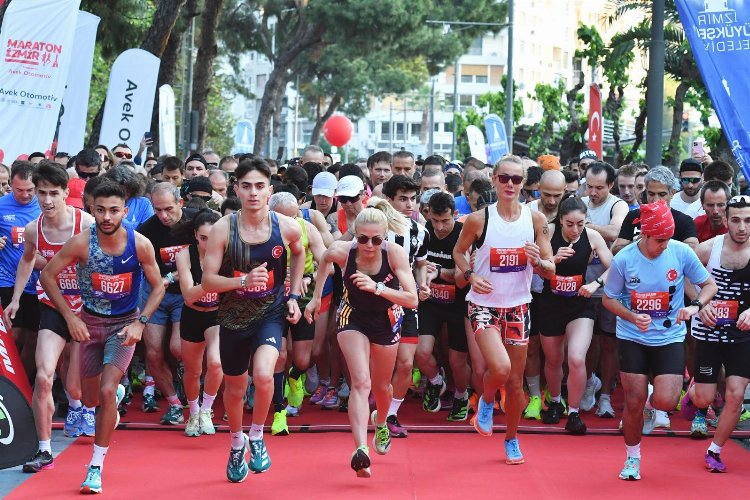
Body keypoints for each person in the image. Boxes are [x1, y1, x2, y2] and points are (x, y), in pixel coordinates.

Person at [39, 180, 165, 493]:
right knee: (92, 397)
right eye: (100, 210)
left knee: (107, 392)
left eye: (113, 210)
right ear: (91, 210)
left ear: (125, 211)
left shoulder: (140, 244)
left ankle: (95, 466)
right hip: (90, 324)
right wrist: (70, 317)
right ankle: (114, 398)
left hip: (123, 326)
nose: (107, 217)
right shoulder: (81, 242)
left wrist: (141, 323)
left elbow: (159, 286)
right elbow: (47, 275)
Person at [202, 157, 305, 483]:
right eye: (246, 186)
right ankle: (236, 442)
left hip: (270, 315)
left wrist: (293, 294)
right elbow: (207, 282)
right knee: (234, 388)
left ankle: (257, 436)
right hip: (232, 318)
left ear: (269, 190)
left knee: (263, 375)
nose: (253, 193)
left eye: (260, 186)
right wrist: (242, 282)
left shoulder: (284, 226)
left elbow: (299, 251)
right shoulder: (223, 228)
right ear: (237, 189)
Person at [602, 200, 717, 481]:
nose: (665, 244)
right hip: (633, 336)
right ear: (645, 234)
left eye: (669, 238)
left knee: (666, 401)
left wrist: (695, 306)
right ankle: (632, 459)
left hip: (669, 336)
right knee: (633, 401)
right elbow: (608, 299)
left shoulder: (680, 252)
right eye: (661, 240)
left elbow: (709, 285)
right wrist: (631, 316)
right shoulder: (625, 259)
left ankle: (653, 407)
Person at [453, 155, 555, 465]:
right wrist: (471, 276)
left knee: (514, 382)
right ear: (495, 179)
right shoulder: (478, 219)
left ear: (525, 184)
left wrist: (538, 261)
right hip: (483, 306)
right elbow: (458, 252)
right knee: (498, 368)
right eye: (504, 178)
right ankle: (485, 400)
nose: (510, 184)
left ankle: (511, 438)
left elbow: (550, 271)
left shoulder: (535, 220)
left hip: (518, 306)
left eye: (517, 179)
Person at [305, 198, 418, 478]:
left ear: (385, 237)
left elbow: (412, 299)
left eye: (376, 240)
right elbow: (325, 260)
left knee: (382, 387)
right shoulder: (343, 251)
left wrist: (378, 287)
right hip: (352, 316)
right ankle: (360, 449)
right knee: (360, 382)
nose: (369, 246)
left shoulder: (394, 254)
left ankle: (381, 421)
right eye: (363, 239)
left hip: (385, 319)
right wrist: (315, 298)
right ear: (355, 235)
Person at [10, 163, 93, 473]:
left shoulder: (85, 223)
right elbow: (27, 260)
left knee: (75, 386)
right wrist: (17, 299)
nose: (46, 200)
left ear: (64, 194)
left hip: (85, 309)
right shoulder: (34, 228)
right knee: (45, 376)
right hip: (53, 307)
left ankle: (86, 401)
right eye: (41, 193)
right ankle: (43, 449)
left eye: (53, 194)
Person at [538, 194, 613, 434]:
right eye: (569, 224)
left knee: (577, 358)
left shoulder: (591, 236)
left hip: (580, 303)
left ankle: (574, 412)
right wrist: (552, 260)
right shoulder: (547, 233)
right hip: (551, 304)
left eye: (580, 223)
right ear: (560, 220)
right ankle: (554, 402)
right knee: (553, 360)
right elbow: (534, 268)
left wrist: (596, 284)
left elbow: (615, 268)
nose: (575, 229)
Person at [690, 195, 750, 472]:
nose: (742, 227)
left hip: (742, 333)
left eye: (748, 221)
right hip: (709, 330)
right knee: (703, 398)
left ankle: (715, 450)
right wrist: (700, 304)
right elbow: (681, 276)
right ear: (725, 221)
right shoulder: (709, 248)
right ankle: (696, 397)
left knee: (736, 394)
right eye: (736, 220)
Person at [136, 183, 197, 422]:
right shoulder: (147, 229)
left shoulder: (196, 222)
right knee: (152, 353)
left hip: (185, 291)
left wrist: (171, 277)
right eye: (158, 209)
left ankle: (190, 385)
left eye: (168, 209)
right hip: (155, 292)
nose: (163, 215)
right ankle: (173, 403)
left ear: (180, 203)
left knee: (178, 348)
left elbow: (205, 259)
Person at [267, 192, 327, 435]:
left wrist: (309, 278)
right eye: (284, 218)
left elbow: (327, 262)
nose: (291, 222)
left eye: (294, 216)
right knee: (279, 355)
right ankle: (279, 411)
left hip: (301, 299)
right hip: (271, 300)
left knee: (302, 360)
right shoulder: (262, 231)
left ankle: (295, 378)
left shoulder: (307, 228)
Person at [415, 192, 471, 424]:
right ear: (427, 214)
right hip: (430, 301)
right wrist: (421, 278)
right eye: (435, 220)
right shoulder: (422, 231)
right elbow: (414, 265)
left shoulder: (463, 234)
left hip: (459, 303)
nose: (439, 227)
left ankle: (461, 396)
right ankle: (436, 382)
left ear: (455, 215)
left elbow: (461, 278)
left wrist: (438, 272)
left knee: (457, 360)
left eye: (445, 221)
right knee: (420, 351)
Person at [381, 176, 428, 437]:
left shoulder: (420, 231)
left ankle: (391, 414)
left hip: (407, 302)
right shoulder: (373, 228)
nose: (409, 204)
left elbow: (420, 263)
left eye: (413, 198)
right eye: (403, 198)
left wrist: (422, 285)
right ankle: (372, 406)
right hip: (376, 302)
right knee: (379, 364)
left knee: (406, 363)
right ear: (390, 200)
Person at [581, 162, 629, 418]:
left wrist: (586, 227)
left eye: (599, 187)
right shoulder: (580, 202)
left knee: (609, 344)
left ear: (611, 185)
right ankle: (589, 383)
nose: (593, 192)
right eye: (589, 186)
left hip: (611, 287)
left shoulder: (617, 205)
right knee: (586, 344)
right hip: (584, 286)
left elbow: (616, 230)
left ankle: (607, 398)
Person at [173, 209, 224, 437]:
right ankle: (193, 412)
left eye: (212, 238)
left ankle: (206, 410)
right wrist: (211, 282)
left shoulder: (228, 253)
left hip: (217, 315)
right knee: (193, 371)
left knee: (215, 363)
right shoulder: (184, 255)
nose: (207, 243)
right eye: (203, 238)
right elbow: (188, 295)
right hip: (192, 314)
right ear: (195, 235)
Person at [522, 169, 566, 420]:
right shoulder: (525, 212)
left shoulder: (573, 210)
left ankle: (556, 394)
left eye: (556, 196)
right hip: (530, 290)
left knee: (557, 350)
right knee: (531, 346)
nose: (551, 201)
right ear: (538, 188)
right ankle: (536, 396)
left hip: (560, 292)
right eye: (546, 194)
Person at [0, 161, 42, 377]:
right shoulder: (2, 205)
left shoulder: (45, 206)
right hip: (6, 278)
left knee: (33, 337)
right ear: (10, 185)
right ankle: (7, 381)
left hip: (38, 282)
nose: (25, 195)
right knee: (13, 334)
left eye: (29, 190)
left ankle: (23, 384)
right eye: (19, 190)